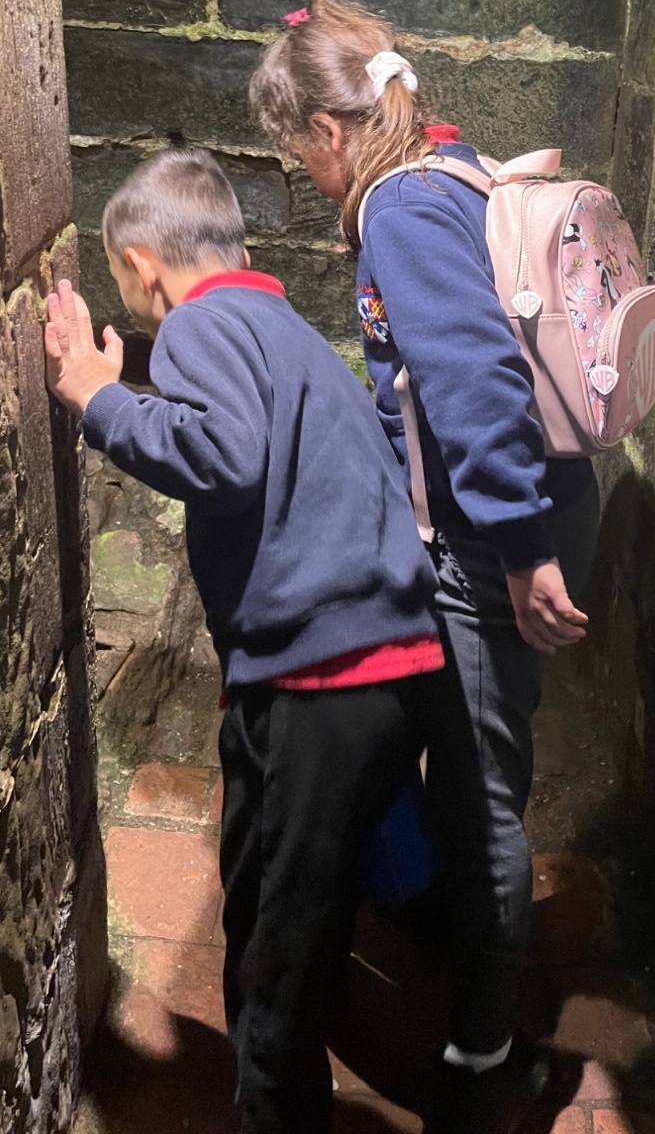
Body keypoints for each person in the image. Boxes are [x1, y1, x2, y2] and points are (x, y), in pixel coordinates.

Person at [250, 0, 601, 1131]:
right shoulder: (453, 163)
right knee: (459, 767)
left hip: (500, 542)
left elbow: (477, 387)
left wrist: (519, 552)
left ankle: (483, 1049)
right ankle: (448, 932)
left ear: (328, 130)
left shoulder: (400, 207)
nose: (306, 176)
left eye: (298, 152)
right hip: (520, 517)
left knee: (480, 797)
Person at [43, 147, 445, 1134]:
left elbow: (225, 457)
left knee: (273, 947)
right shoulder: (283, 328)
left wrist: (97, 394)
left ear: (142, 267)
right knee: (287, 894)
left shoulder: (200, 324)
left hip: (328, 678)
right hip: (375, 664)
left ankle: (282, 1108)